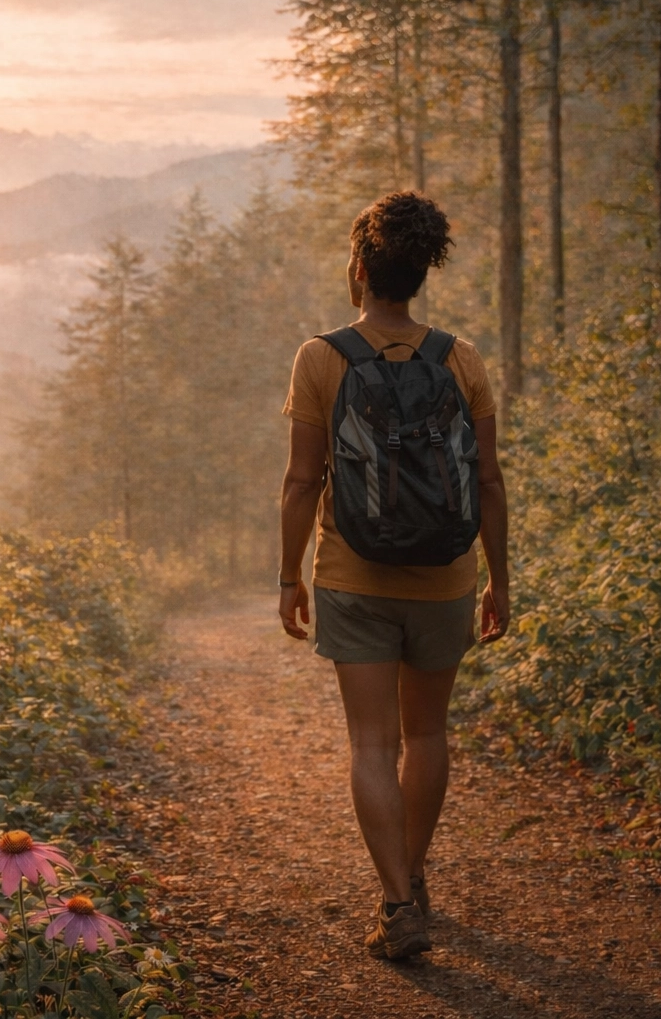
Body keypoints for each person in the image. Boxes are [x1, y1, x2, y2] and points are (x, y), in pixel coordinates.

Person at [278, 191, 510, 961]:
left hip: (354, 577)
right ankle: (412, 874)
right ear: (420, 273)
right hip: (447, 578)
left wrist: (288, 576)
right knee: (427, 734)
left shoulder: (322, 357)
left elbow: (302, 481)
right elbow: (489, 481)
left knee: (373, 744)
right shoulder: (459, 357)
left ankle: (399, 904)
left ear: (359, 269)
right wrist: (499, 581)